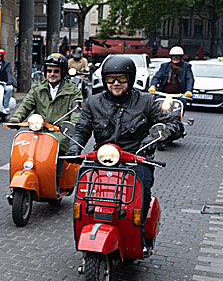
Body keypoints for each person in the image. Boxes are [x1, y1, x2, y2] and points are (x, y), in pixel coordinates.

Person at [71, 55, 176, 222]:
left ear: (131, 79)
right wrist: (74, 148)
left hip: (136, 159)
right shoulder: (93, 102)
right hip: (102, 158)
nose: (116, 83)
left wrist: (153, 139)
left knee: (141, 197)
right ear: (104, 80)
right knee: (84, 197)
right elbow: (82, 129)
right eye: (111, 79)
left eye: (122, 78)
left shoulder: (146, 101)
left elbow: (172, 123)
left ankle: (140, 237)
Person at [10, 53, 83, 162]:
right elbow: (25, 105)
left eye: (56, 71)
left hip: (61, 133)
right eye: (49, 71)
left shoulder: (73, 91)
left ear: (62, 72)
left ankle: (56, 177)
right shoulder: (38, 89)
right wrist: (16, 118)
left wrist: (71, 127)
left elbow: (76, 112)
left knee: (55, 152)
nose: (52, 74)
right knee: (24, 150)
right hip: (39, 130)